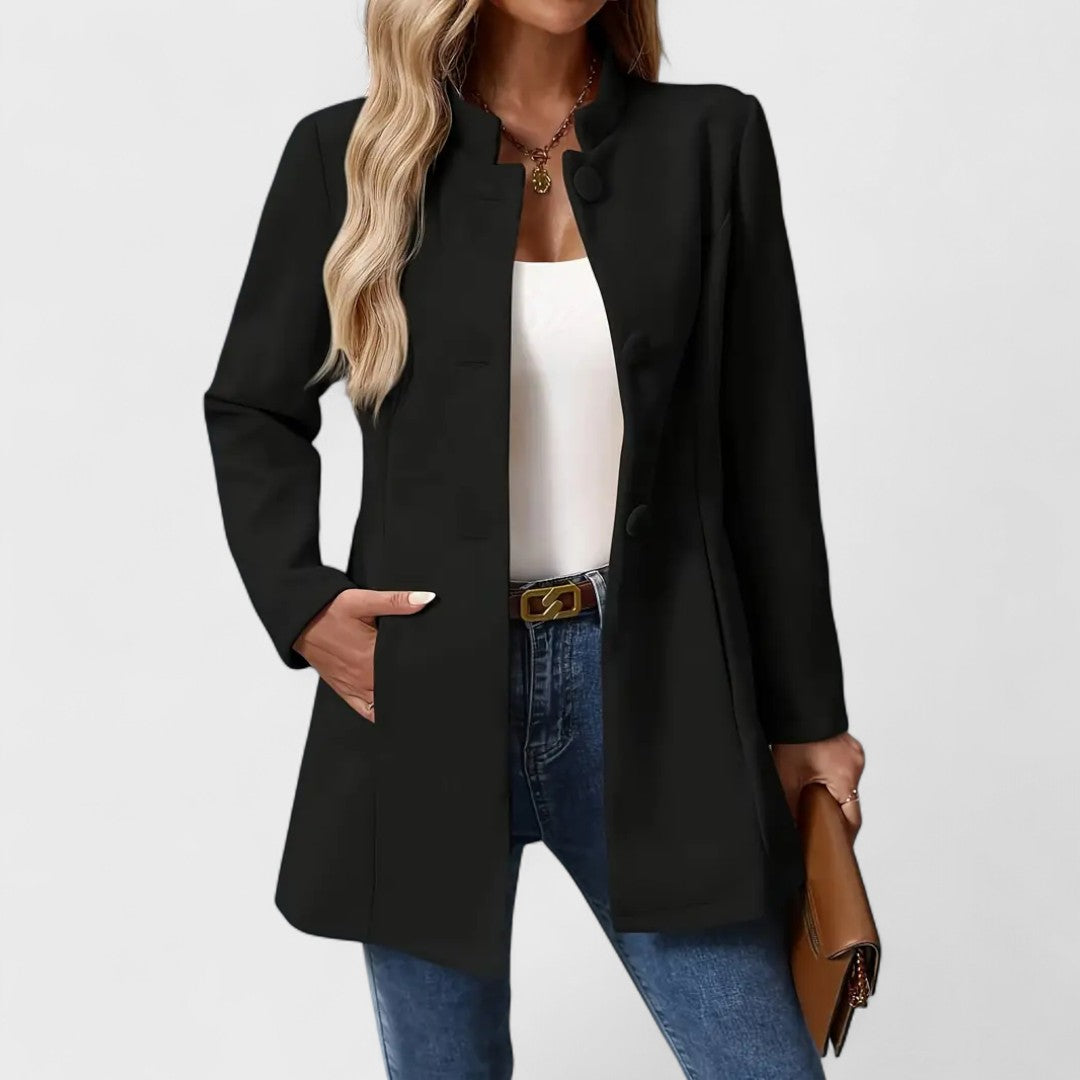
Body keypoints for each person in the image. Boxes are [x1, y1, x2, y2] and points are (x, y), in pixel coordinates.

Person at [204, 1, 866, 1076]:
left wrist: (809, 719)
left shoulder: (711, 139)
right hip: (424, 686)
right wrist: (302, 603)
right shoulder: (349, 154)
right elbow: (251, 407)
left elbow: (768, 452)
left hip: (654, 689)